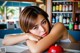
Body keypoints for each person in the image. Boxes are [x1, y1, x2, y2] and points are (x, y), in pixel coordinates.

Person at [2, 6, 77, 53]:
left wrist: (27, 37)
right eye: (35, 27)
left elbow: (36, 50)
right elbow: (5, 41)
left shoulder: (58, 27)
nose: (42, 29)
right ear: (29, 30)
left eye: (44, 22)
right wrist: (27, 35)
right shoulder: (31, 34)